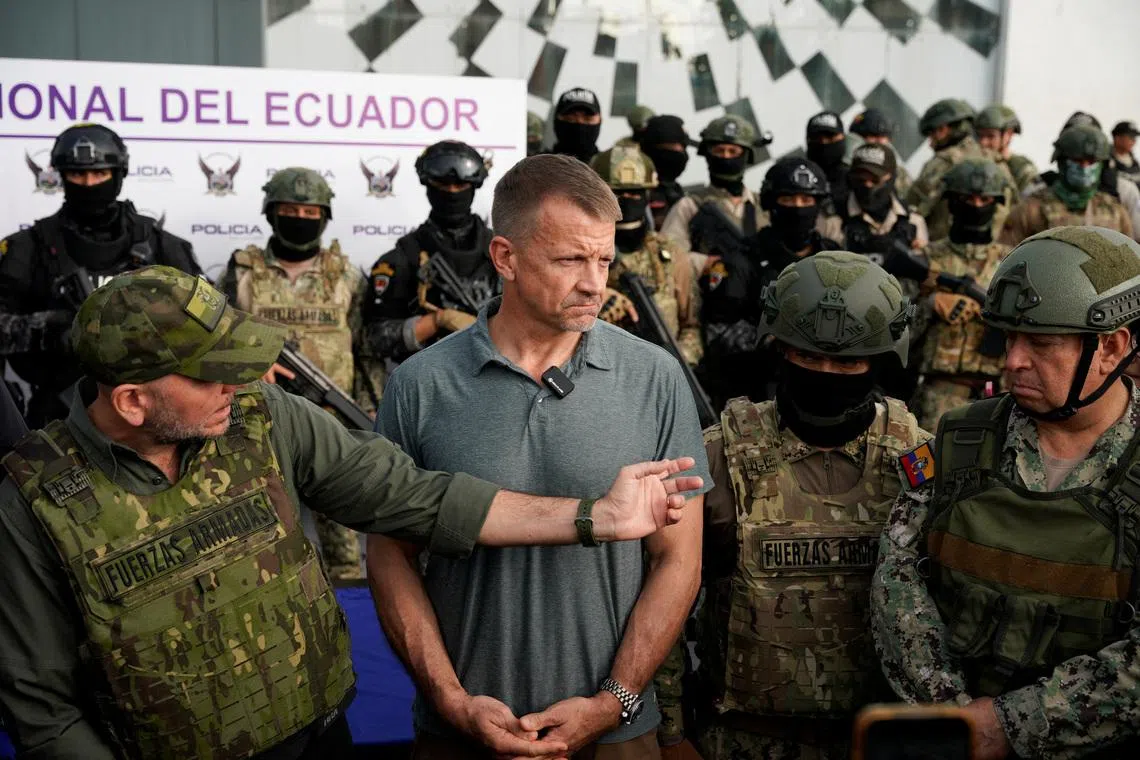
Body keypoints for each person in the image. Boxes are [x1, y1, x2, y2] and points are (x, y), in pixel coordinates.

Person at [0, 264, 701, 760]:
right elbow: (43, 712)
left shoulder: (263, 418)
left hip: (317, 742)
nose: (239, 386)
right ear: (132, 401)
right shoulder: (34, 502)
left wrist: (595, 518)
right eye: (213, 374)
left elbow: (412, 497)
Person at [365, 153, 710, 759]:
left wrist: (614, 702)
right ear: (506, 257)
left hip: (617, 736)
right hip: (462, 734)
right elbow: (390, 557)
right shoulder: (420, 386)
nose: (595, 283)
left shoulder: (655, 377)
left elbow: (678, 561)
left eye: (604, 260)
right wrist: (450, 699)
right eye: (570, 259)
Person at [871, 225, 1140, 760]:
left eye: (1040, 342)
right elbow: (896, 578)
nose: (1012, 361)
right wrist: (954, 716)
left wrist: (1011, 725)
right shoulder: (960, 440)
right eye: (1008, 339)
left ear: (1110, 348)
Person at [697, 251, 929, 760]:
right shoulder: (720, 455)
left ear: (879, 360)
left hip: (877, 740)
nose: (826, 373)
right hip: (743, 738)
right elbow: (665, 594)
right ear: (780, 351)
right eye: (807, 357)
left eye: (847, 362)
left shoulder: (917, 459)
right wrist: (667, 730)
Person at [215, 167, 369, 581]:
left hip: (333, 423)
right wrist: (253, 360)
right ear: (270, 213)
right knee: (260, 532)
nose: (300, 218)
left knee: (343, 540)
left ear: (324, 216)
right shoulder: (242, 272)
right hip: (257, 421)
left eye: (309, 211)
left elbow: (364, 347)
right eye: (289, 210)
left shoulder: (347, 276)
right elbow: (216, 341)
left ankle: (350, 601)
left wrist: (368, 410)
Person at [0, 123, 201, 428]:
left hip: (151, 410)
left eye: (100, 174)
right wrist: (56, 329)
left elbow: (207, 320)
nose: (89, 184)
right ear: (62, 176)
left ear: (118, 175)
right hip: (59, 411)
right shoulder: (28, 247)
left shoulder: (160, 244)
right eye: (77, 175)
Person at [700, 156, 840, 408]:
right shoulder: (742, 260)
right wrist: (775, 340)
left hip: (831, 386)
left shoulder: (836, 258)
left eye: (806, 200)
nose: (798, 208)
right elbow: (718, 334)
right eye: (788, 199)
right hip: (760, 395)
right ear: (771, 203)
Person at [361, 140, 497, 366]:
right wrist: (437, 321)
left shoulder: (502, 253)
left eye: (460, 184)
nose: (452, 191)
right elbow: (373, 339)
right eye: (442, 184)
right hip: (430, 378)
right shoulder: (402, 259)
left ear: (475, 185)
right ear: (427, 184)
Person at [910, 158, 1011, 431]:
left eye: (985, 200)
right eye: (967, 199)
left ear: (996, 203)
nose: (976, 206)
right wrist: (931, 303)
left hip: (999, 396)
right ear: (951, 202)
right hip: (938, 396)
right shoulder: (924, 259)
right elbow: (896, 326)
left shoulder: (1012, 262)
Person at [590, 142, 703, 366]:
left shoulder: (669, 253)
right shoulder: (580, 252)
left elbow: (692, 325)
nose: (626, 198)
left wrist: (675, 363)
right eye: (617, 193)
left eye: (635, 192)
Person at [661, 114, 768, 279]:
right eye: (719, 151)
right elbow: (667, 257)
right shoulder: (690, 205)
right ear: (708, 154)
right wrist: (706, 263)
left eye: (733, 151)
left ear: (746, 155)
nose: (726, 157)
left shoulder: (764, 205)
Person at [1001, 125, 1133, 246]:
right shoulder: (1031, 210)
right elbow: (1004, 256)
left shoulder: (1115, 211)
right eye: (1077, 161)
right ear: (1062, 162)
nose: (1085, 168)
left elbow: (1131, 259)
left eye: (1091, 162)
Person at [907, 98, 1013, 242]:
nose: (930, 144)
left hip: (944, 250)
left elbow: (912, 209)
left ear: (943, 129)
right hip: (994, 253)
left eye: (932, 135)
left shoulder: (941, 163)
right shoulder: (996, 161)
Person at [842, 143, 928, 258]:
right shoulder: (835, 218)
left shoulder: (913, 221)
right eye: (860, 180)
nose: (867, 185)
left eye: (875, 179)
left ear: (891, 178)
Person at [642, 115, 697, 230]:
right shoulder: (637, 194)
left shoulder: (676, 191)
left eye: (683, 147)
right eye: (673, 147)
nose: (681, 152)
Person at [975, 104, 1039, 194]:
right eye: (980, 135)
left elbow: (1034, 199)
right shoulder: (972, 164)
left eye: (990, 136)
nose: (983, 142)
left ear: (1008, 135)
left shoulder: (1022, 169)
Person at [848, 107, 912, 196]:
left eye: (882, 137)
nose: (879, 142)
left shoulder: (899, 173)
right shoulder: (846, 167)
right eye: (872, 136)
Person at [805, 110, 850, 218]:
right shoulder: (800, 175)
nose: (824, 142)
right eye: (817, 138)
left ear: (842, 138)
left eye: (830, 137)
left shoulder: (855, 177)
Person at [549, 87, 603, 164]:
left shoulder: (611, 167)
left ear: (600, 121)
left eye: (587, 119)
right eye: (570, 119)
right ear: (556, 120)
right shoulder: (536, 166)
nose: (579, 123)